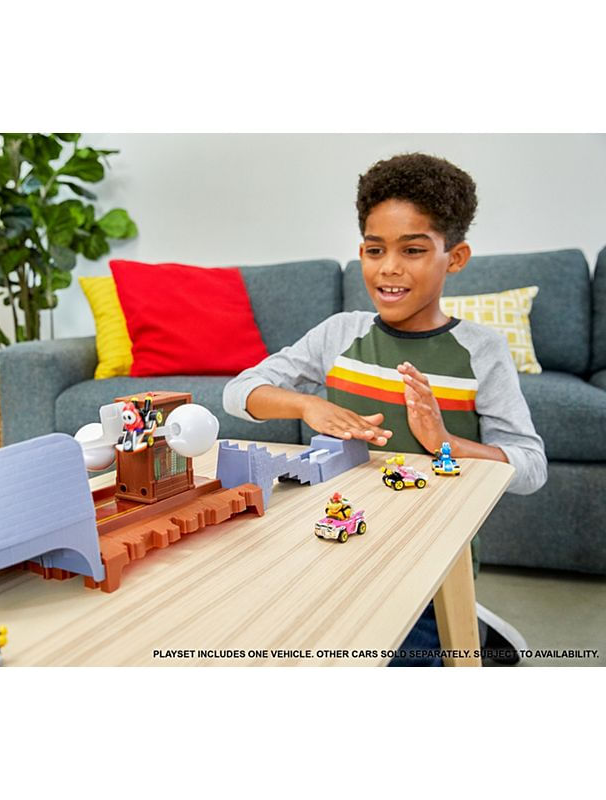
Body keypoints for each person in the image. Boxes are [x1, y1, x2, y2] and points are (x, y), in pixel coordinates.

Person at [222, 152, 547, 666]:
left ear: (455, 257)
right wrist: (307, 404)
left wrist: (446, 443)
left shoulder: (482, 351)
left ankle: (473, 635)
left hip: (427, 566)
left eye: (413, 250)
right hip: (330, 546)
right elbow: (239, 392)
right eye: (376, 250)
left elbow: (531, 467)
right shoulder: (339, 334)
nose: (389, 267)